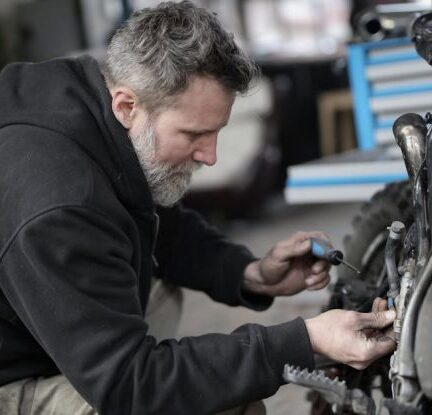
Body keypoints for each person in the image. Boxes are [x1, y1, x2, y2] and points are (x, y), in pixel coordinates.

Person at [0, 1, 396, 414]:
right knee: (227, 406)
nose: (210, 156)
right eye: (195, 134)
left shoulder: (84, 99)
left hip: (39, 322)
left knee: (163, 289)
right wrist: (305, 341)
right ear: (127, 106)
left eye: (216, 132)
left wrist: (251, 274)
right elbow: (132, 386)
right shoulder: (61, 206)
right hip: (13, 377)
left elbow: (152, 219)